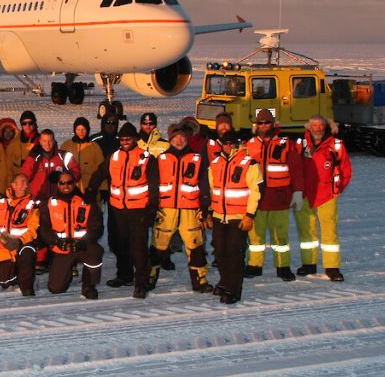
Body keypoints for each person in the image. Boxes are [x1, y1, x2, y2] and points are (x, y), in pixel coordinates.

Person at [89, 122, 158, 298]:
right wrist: (91, 190)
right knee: (119, 245)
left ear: (135, 139)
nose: (125, 141)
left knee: (138, 248)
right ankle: (124, 275)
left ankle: (141, 283)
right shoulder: (114, 157)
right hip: (117, 210)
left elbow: (154, 186)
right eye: (123, 139)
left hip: (138, 211)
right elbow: (99, 173)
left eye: (129, 138)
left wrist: (151, 210)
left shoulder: (146, 158)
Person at [149, 123, 213, 293]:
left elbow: (205, 184)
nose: (179, 140)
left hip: (190, 210)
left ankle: (200, 279)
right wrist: (152, 206)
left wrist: (205, 206)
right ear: (170, 140)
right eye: (175, 138)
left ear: (187, 139)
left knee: (195, 245)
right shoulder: (161, 159)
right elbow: (154, 185)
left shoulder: (197, 158)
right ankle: (150, 277)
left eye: (182, 137)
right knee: (158, 245)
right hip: (166, 210)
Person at [244, 109, 305, 281]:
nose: (264, 126)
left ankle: (283, 267)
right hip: (257, 200)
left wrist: (298, 191)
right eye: (261, 123)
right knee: (255, 236)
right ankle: (254, 266)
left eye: (267, 122)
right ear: (256, 125)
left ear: (273, 123)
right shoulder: (249, 145)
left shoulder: (286, 143)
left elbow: (296, 168)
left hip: (279, 198)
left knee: (281, 236)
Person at [206, 131, 263, 303]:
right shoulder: (215, 163)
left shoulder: (250, 164)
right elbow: (211, 190)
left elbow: (256, 192)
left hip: (238, 217)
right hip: (218, 216)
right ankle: (224, 282)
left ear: (237, 144)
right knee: (220, 252)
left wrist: (250, 215)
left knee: (235, 254)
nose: (229, 147)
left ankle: (233, 290)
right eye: (225, 144)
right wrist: (209, 213)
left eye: (232, 143)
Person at [295, 115, 352, 281]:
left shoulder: (336, 145)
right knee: (306, 231)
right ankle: (308, 264)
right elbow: (293, 167)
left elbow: (345, 170)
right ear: (308, 127)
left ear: (326, 127)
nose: (317, 128)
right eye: (314, 125)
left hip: (327, 195)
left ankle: (332, 268)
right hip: (305, 195)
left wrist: (337, 189)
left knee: (330, 233)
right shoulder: (300, 144)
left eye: (320, 125)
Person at [38, 172, 104, 299]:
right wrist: (57, 242)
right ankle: (67, 271)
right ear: (58, 184)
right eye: (62, 183)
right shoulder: (49, 204)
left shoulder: (86, 202)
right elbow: (44, 230)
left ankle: (89, 286)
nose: (66, 185)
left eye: (69, 182)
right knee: (55, 289)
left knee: (96, 251)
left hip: (82, 246)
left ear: (75, 184)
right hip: (61, 248)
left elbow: (97, 228)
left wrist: (83, 242)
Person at [0, 174, 40, 295]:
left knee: (28, 252)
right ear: (13, 186)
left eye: (26, 182)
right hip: (4, 251)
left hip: (22, 246)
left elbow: (33, 229)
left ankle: (27, 287)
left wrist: (20, 241)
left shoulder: (32, 205)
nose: (25, 185)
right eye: (22, 182)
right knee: (4, 282)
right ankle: (19, 273)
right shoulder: (0, 203)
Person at [21, 129, 81, 201]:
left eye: (50, 141)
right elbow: (24, 176)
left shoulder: (64, 156)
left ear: (54, 141)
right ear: (40, 141)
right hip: (38, 199)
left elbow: (77, 173)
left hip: (59, 200)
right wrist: (31, 157)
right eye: (44, 141)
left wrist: (62, 176)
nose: (47, 144)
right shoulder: (34, 158)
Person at [61, 117, 104, 190]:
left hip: (90, 188)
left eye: (83, 129)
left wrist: (103, 188)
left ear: (87, 130)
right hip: (70, 189)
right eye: (78, 130)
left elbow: (101, 169)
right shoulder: (66, 145)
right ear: (74, 130)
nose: (81, 132)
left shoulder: (94, 147)